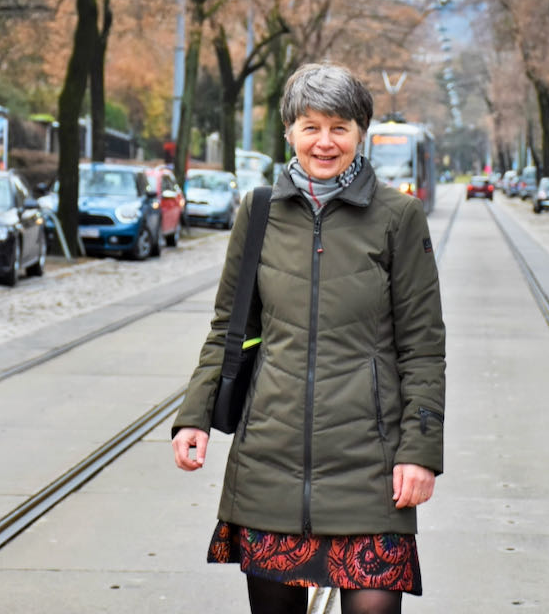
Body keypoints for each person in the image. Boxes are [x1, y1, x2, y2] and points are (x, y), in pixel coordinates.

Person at [171, 62, 446, 614]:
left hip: (371, 464)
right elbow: (230, 327)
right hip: (271, 461)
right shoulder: (258, 212)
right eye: (311, 126)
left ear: (360, 133)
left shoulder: (399, 216)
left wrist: (420, 452)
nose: (325, 142)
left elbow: (423, 346)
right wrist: (194, 416)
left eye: (340, 127)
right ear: (290, 132)